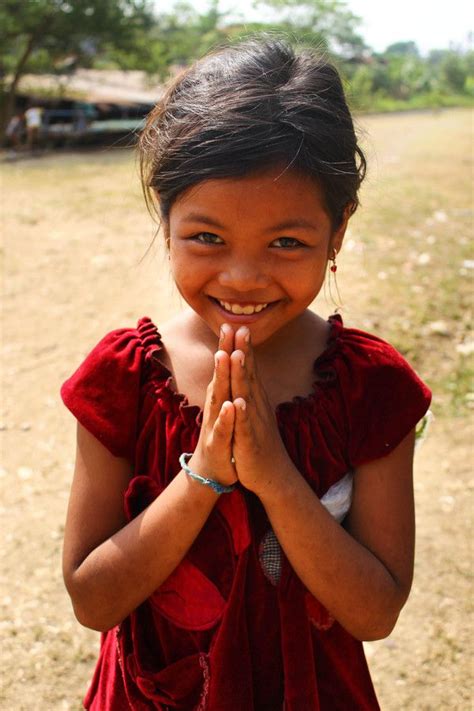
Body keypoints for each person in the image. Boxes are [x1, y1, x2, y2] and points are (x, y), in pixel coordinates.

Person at [61, 38, 432, 710]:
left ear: (338, 231)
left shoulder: (371, 388)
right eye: (207, 237)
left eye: (287, 242)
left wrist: (274, 476)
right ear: (164, 214)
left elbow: (375, 612)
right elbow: (92, 597)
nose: (242, 277)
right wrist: (204, 474)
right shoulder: (123, 378)